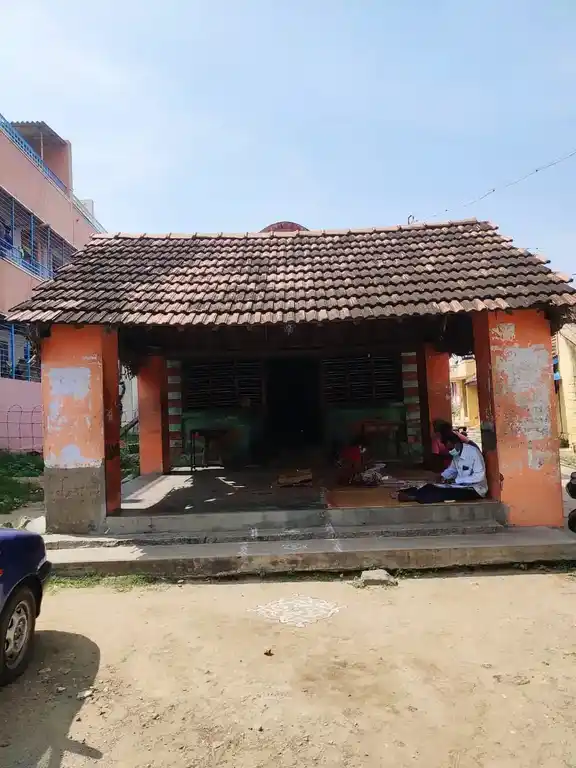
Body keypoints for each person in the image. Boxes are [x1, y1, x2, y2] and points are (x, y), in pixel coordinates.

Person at [400, 433, 488, 504]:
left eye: (451, 448)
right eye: (448, 449)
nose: (450, 451)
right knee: (431, 486)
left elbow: (479, 476)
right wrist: (442, 476)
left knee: (443, 493)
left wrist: (457, 481)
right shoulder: (456, 455)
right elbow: (452, 470)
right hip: (461, 486)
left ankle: (414, 497)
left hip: (475, 489)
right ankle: (409, 493)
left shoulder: (473, 453)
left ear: (457, 444)